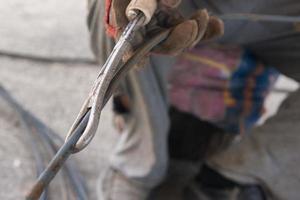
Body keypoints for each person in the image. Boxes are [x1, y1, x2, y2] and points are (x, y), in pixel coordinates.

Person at [86, 0, 300, 199]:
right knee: (120, 9)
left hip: (278, 14)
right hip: (180, 8)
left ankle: (239, 178)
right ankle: (138, 161)